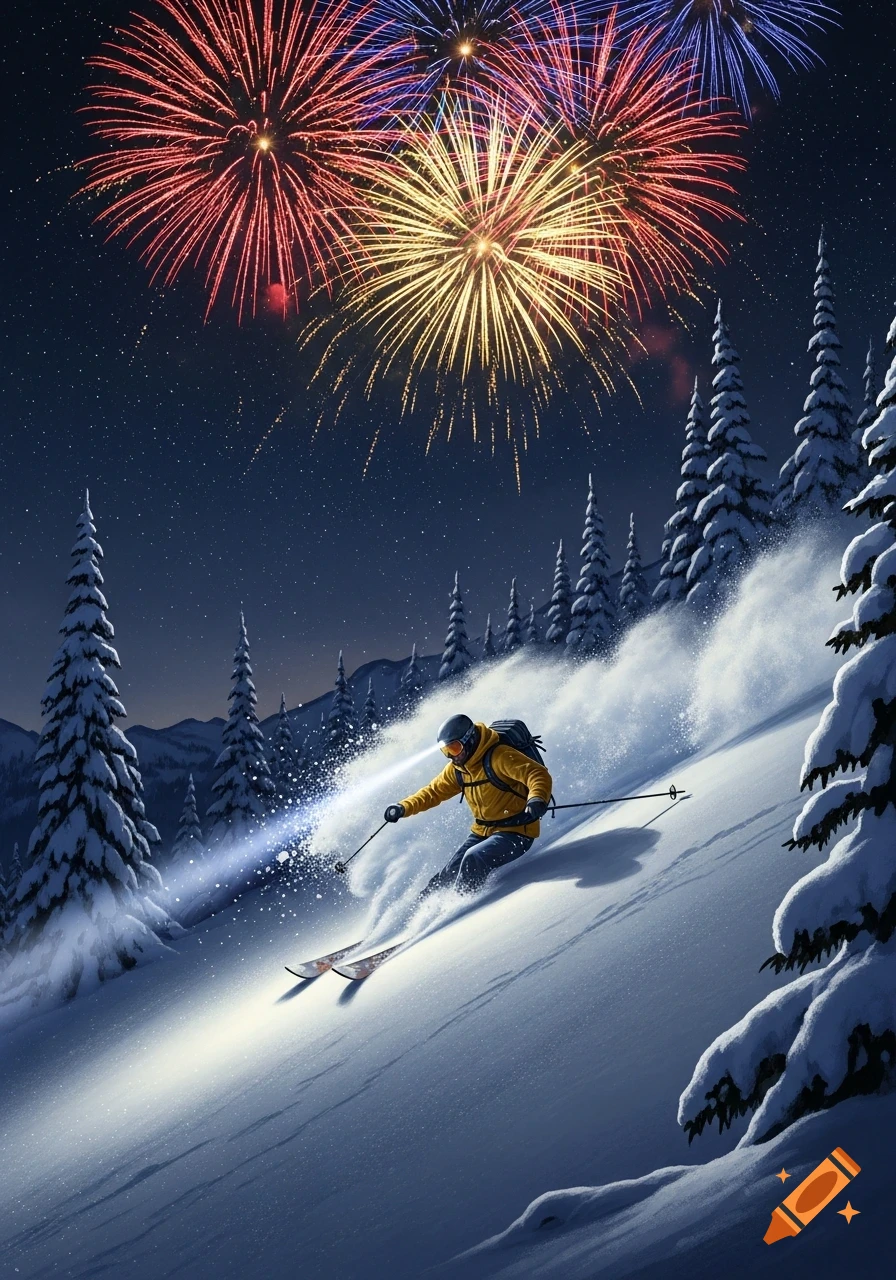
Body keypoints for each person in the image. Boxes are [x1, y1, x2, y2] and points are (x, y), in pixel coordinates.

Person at [384, 714, 553, 896]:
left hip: (517, 832)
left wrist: (537, 798)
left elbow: (536, 774)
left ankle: (456, 907)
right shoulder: (458, 769)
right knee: (449, 873)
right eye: (446, 751)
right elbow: (432, 793)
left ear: (470, 740)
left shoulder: (499, 756)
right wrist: (404, 807)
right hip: (482, 831)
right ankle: (424, 909)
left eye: (455, 748)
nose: (451, 756)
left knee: (474, 858)